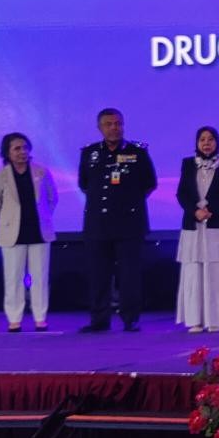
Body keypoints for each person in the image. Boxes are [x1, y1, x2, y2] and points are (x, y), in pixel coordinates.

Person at [77, 106, 157, 332]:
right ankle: (99, 320)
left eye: (118, 124)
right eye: (109, 124)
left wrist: (127, 202)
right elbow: (84, 183)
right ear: (100, 127)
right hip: (98, 224)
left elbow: (149, 183)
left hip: (129, 224)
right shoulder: (90, 153)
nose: (114, 128)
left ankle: (130, 318)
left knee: (129, 275)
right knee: (98, 274)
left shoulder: (137, 152)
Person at [176, 124, 219, 335]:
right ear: (197, 143)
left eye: (210, 139)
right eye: (202, 139)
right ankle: (195, 319)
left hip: (218, 225)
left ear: (217, 142)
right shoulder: (188, 164)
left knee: (217, 273)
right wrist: (195, 211)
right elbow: (182, 194)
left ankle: (217, 318)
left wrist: (210, 210)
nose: (206, 143)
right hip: (193, 226)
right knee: (194, 273)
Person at [0, 132, 57, 332]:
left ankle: (40, 317)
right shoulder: (1, 176)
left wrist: (45, 216)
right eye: (17, 148)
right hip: (13, 233)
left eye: (25, 147)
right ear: (8, 153)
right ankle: (14, 318)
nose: (22, 152)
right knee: (13, 278)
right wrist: (7, 221)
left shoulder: (41, 172)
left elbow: (52, 198)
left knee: (40, 277)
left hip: (38, 231)